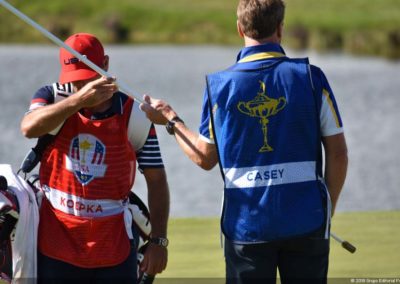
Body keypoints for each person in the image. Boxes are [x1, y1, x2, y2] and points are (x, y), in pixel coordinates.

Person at [139, 0, 348, 283]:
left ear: (239, 28)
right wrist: (325, 212)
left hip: (245, 227)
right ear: (280, 28)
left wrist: (171, 120)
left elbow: (204, 157)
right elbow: (338, 155)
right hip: (307, 222)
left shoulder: (220, 86)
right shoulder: (311, 77)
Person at [20, 33, 170, 282]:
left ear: (106, 65)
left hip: (114, 250)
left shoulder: (135, 115)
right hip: (55, 244)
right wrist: (78, 101)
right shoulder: (53, 97)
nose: (81, 86)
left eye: (87, 78)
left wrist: (159, 241)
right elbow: (28, 128)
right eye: (74, 80)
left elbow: (156, 180)